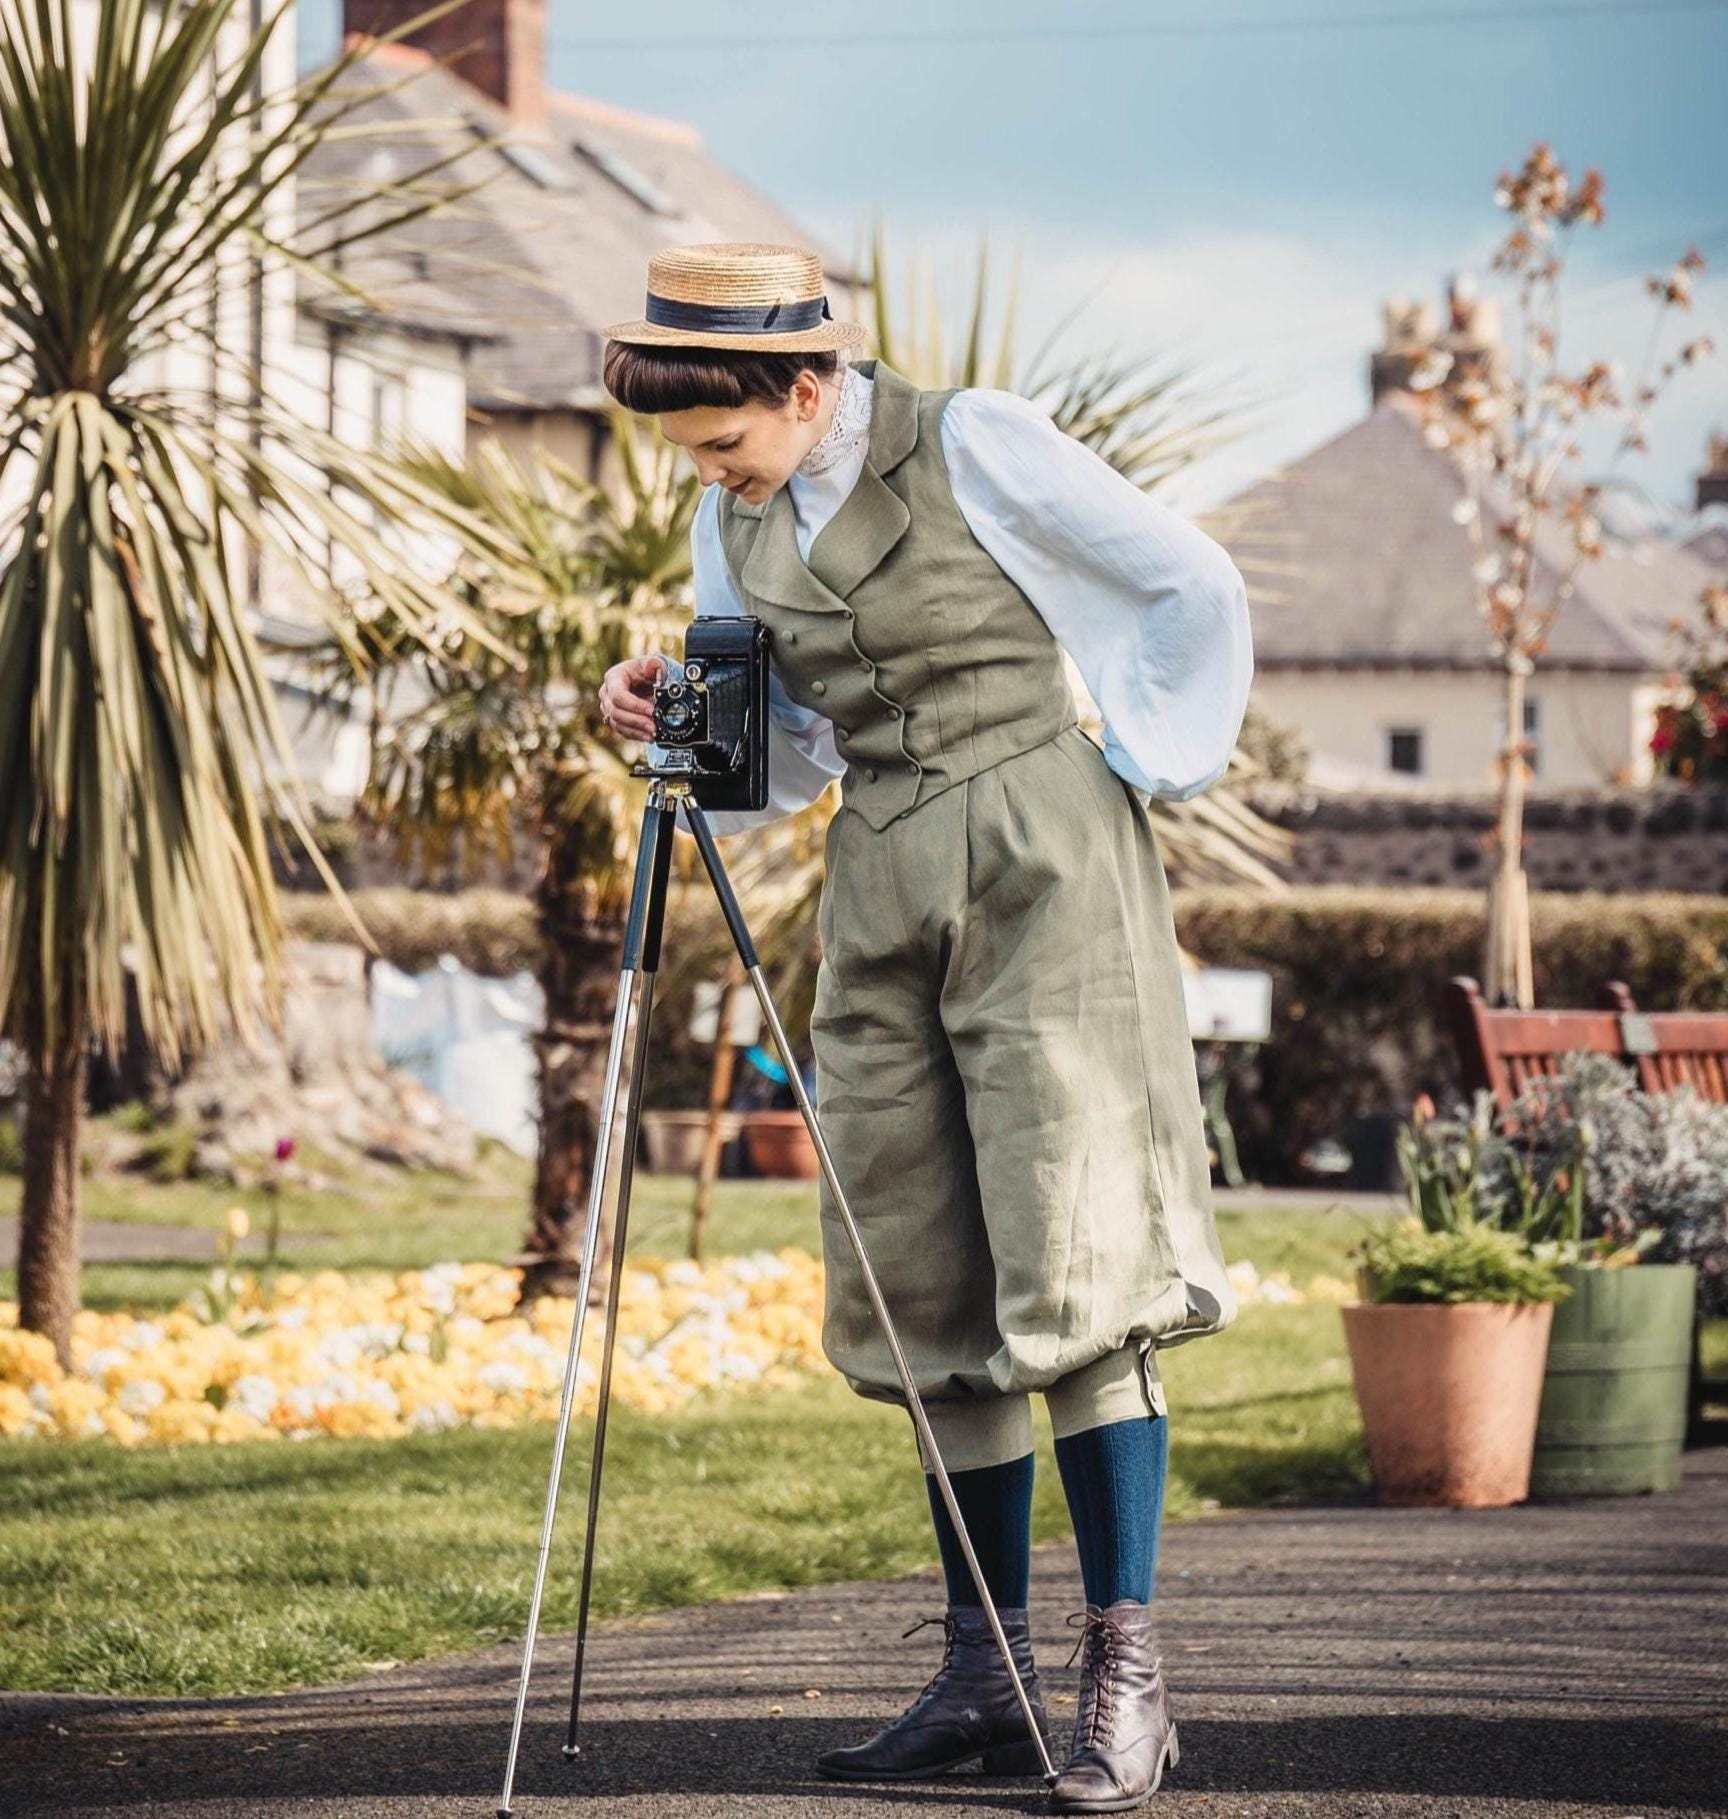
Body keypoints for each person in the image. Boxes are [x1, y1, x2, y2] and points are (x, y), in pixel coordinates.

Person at [597, 242, 1250, 1813]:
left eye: (725, 436)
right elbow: (785, 760)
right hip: (878, 879)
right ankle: (982, 1674)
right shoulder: (727, 514)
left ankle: (1127, 1677)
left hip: (1045, 864)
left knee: (1077, 1252)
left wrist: (1133, 773)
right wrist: (668, 717)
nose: (708, 472)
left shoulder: (977, 442)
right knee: (920, 1267)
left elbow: (1190, 583)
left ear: (807, 388)